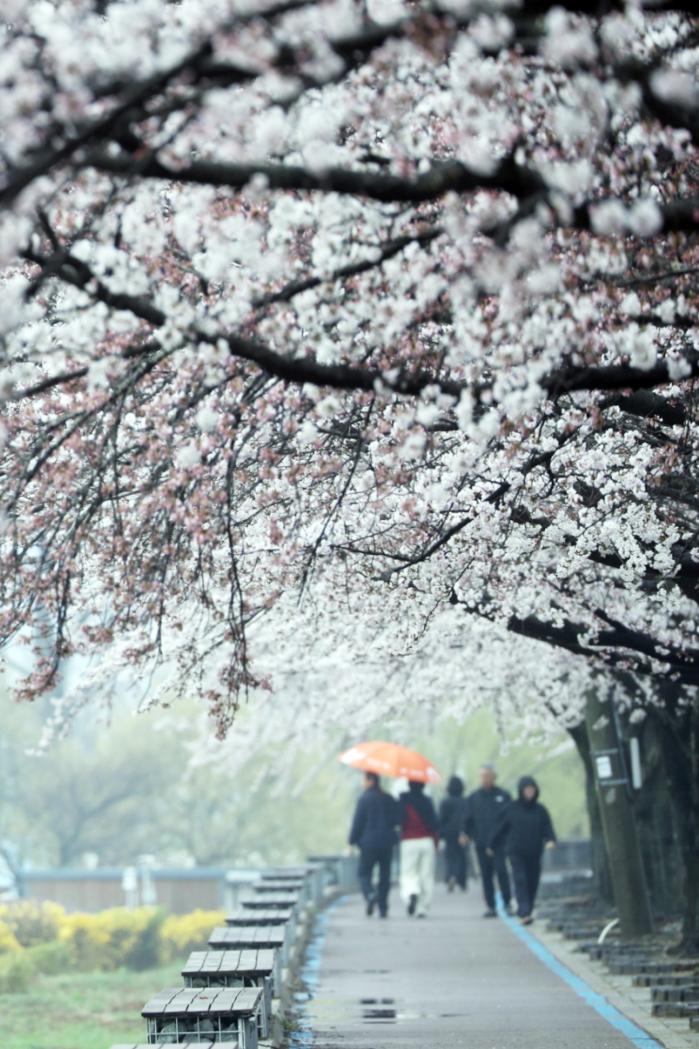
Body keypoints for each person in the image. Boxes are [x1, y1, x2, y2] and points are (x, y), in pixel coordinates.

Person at [488, 775, 556, 924]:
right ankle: (524, 911)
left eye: (532, 790)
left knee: (533, 880)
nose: (529, 793)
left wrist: (550, 840)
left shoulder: (540, 810)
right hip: (515, 851)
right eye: (527, 790)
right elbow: (499, 828)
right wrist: (491, 845)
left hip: (535, 851)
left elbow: (547, 827)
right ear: (521, 791)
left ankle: (528, 909)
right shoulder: (511, 809)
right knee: (520, 879)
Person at [460, 763, 512, 917]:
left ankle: (507, 903)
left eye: (488, 776)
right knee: (486, 875)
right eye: (483, 776)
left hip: (499, 843)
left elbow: (510, 818)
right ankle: (491, 906)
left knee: (502, 872)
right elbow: (467, 819)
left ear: (494, 777)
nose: (485, 779)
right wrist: (465, 834)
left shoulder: (503, 796)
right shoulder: (473, 798)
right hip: (481, 842)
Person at [348, 772, 398, 918]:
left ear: (370, 781)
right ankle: (383, 908)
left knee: (364, 874)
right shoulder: (388, 798)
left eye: (364, 779)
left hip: (368, 843)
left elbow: (358, 822)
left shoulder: (364, 798)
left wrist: (352, 840)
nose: (363, 783)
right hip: (386, 843)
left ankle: (370, 895)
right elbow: (396, 820)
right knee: (385, 875)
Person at [399, 780, 439, 918]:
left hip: (409, 841)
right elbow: (434, 823)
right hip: (426, 841)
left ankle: (411, 893)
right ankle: (423, 907)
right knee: (426, 875)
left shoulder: (403, 800)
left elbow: (399, 820)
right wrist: (436, 842)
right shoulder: (427, 801)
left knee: (409, 873)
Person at [439, 775, 469, 891]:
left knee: (450, 856)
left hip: (448, 833)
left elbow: (441, 819)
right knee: (461, 856)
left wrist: (441, 835)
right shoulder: (464, 801)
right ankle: (461, 880)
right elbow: (467, 817)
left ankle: (450, 875)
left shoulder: (445, 802)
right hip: (461, 832)